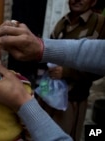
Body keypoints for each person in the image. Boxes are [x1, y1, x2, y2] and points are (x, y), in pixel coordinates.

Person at [37, 0, 105, 140]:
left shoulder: (99, 23)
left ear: (93, 2)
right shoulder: (63, 22)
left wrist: (67, 72)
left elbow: (100, 65)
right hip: (50, 93)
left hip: (73, 99)